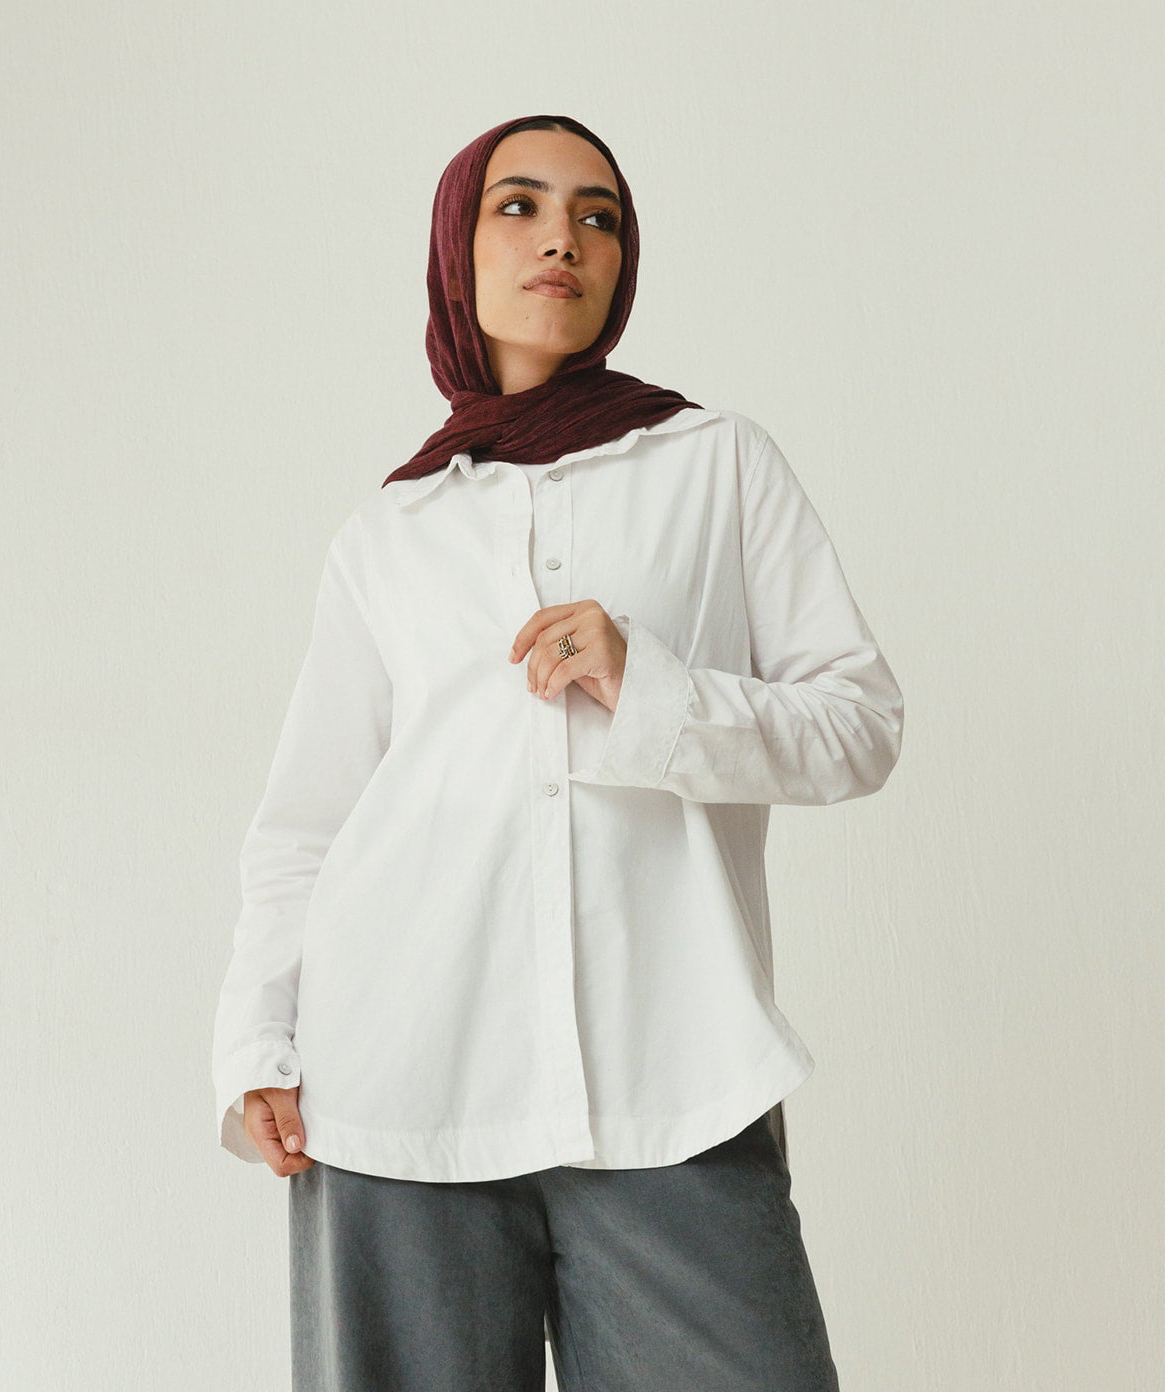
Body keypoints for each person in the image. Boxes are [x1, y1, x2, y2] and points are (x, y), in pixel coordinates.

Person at [211, 112, 904, 1391]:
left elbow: (858, 726)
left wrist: (651, 686)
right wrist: (257, 1042)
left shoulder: (715, 465)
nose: (562, 241)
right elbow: (308, 823)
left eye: (598, 218)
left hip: (673, 1077)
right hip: (395, 1086)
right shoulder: (390, 530)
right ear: (454, 248)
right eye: (518, 207)